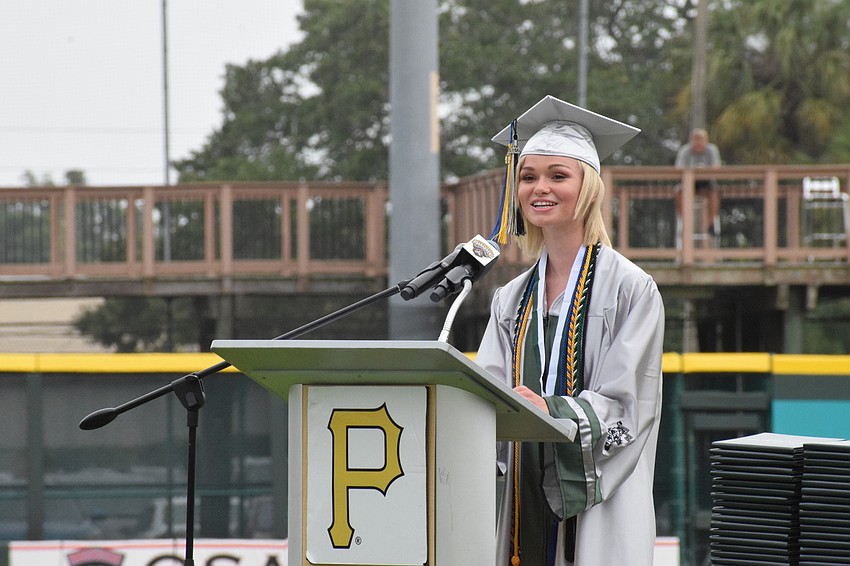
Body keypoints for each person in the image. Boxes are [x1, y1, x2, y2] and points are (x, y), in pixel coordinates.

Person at [476, 95, 665, 566]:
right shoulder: (511, 298)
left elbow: (628, 404)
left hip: (602, 503)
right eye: (528, 176)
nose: (540, 188)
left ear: (589, 189)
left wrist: (552, 412)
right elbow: (486, 394)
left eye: (558, 175)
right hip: (525, 497)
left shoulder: (631, 289)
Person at [675, 128, 722, 236]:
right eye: (695, 140)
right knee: (677, 192)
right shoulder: (685, 150)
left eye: (700, 140)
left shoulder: (711, 149)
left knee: (715, 192)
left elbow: (717, 167)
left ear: (706, 141)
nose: (698, 142)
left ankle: (711, 224)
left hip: (707, 183)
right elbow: (678, 168)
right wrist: (693, 171)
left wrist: (704, 170)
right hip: (689, 183)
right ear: (691, 141)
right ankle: (685, 223)